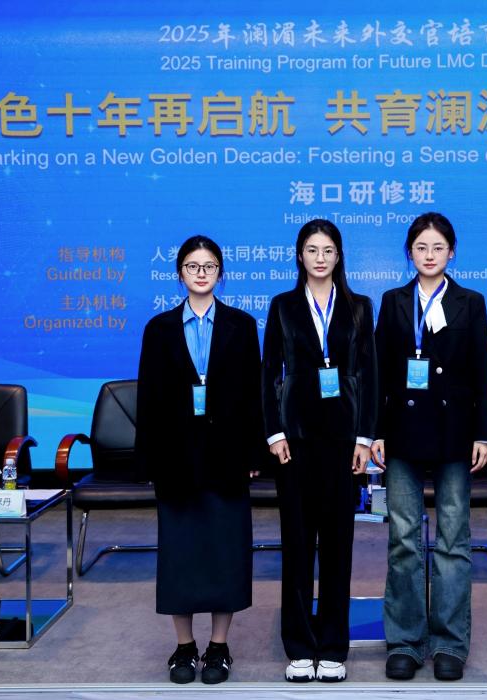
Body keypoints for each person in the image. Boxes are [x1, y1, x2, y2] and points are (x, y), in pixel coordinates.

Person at [371, 212, 487, 681]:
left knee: (452, 539)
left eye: (438, 247)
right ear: (410, 253)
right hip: (402, 433)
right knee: (404, 538)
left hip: (455, 434)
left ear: (452, 252)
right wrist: (375, 431)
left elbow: (482, 370)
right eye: (421, 248)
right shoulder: (394, 301)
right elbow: (380, 370)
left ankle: (449, 643)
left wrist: (485, 433)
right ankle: (404, 641)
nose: (429, 255)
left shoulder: (470, 301)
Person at [135, 235, 263, 685]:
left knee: (225, 554)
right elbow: (148, 398)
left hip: (228, 458)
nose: (201, 273)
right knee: (181, 555)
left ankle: (219, 646)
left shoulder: (241, 326)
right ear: (180, 274)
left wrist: (254, 452)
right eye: (193, 266)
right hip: (176, 459)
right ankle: (185, 646)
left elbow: (253, 395)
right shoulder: (158, 329)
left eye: (209, 266)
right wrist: (148, 460)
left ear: (220, 273)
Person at [261, 219, 377, 683]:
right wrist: (274, 433)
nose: (321, 258)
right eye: (312, 250)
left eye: (328, 250)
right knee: (296, 546)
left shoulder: (360, 307)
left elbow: (369, 375)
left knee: (337, 548)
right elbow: (270, 371)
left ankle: (332, 646)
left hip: (344, 443)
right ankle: (298, 645)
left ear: (339, 256)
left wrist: (365, 439)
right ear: (300, 256)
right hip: (295, 441)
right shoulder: (283, 306)